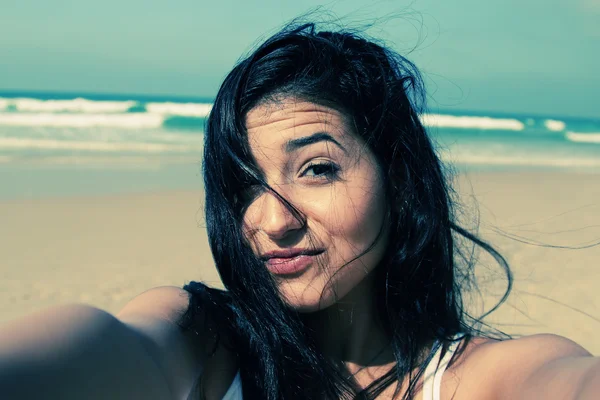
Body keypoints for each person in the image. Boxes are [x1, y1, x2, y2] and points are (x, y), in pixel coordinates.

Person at [0, 22, 598, 400]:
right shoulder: (206, 347)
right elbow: (113, 348)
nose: (270, 220)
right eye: (241, 187)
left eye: (316, 169)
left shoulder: (477, 378)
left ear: (398, 177)